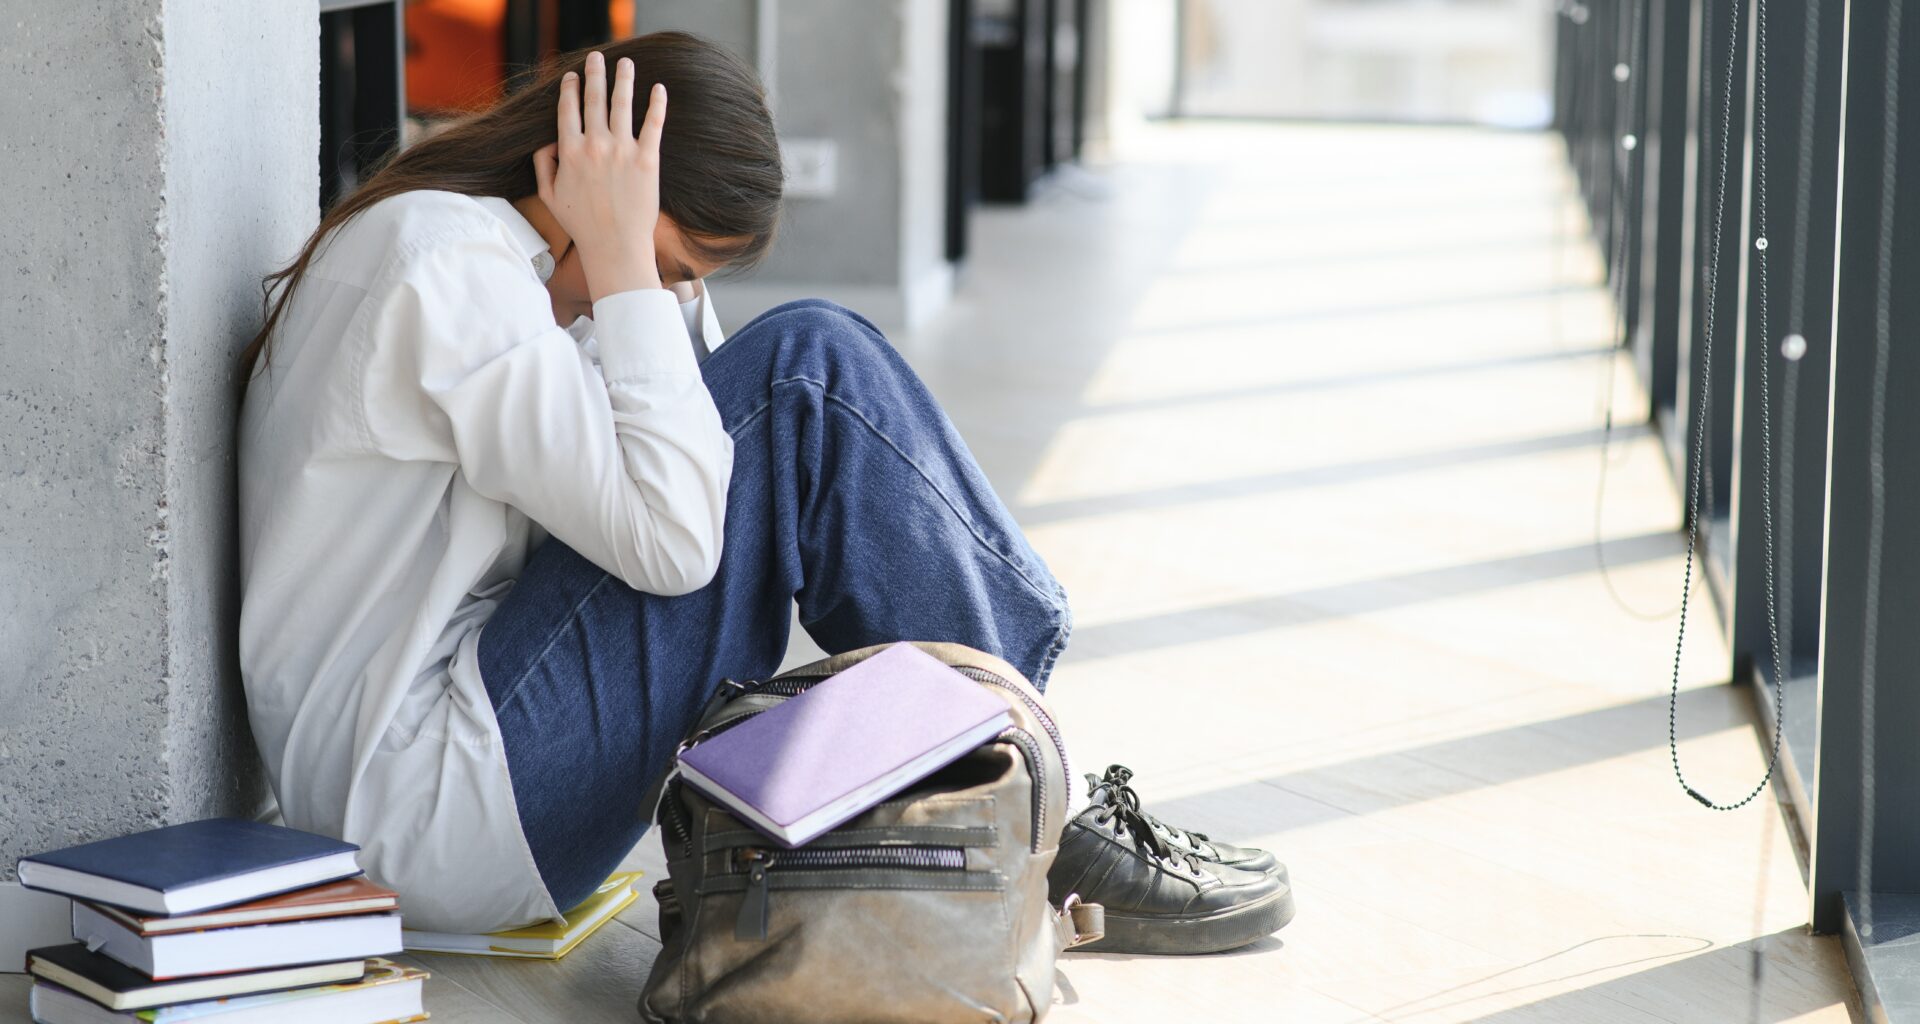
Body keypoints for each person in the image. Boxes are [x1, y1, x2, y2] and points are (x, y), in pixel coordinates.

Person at [236, 31, 1290, 955]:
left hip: (473, 771)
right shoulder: (447, 266)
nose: (671, 295)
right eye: (672, 265)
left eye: (690, 277)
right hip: (429, 808)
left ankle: (1018, 786)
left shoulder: (512, 273)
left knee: (792, 385)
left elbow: (703, 456)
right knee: (806, 370)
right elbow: (678, 537)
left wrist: (629, 275)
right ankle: (1035, 808)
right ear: (583, 181)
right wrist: (621, 264)